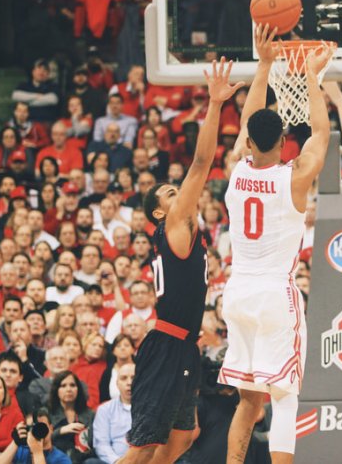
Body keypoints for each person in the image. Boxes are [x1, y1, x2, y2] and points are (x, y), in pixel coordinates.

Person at [118, 56, 244, 464]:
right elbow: (201, 164)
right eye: (171, 194)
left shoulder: (189, 232)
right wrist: (215, 104)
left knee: (185, 435)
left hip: (184, 345)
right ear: (159, 213)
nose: (181, 195)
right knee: (143, 447)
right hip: (166, 345)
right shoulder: (172, 228)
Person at [219, 25, 332, 464]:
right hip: (273, 295)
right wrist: (309, 78)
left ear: (247, 140)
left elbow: (250, 118)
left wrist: (264, 64)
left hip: (237, 291)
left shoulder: (235, 170)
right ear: (284, 142)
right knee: (284, 398)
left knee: (249, 401)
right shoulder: (295, 176)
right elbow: (320, 136)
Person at [0, 407, 71, 464]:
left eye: (41, 426)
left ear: (51, 428)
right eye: (32, 427)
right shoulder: (21, 450)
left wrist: (37, 452)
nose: (37, 430)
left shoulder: (61, 459)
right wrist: (15, 442)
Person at [91, 364, 134, 464]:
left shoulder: (152, 408)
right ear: (117, 383)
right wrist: (117, 462)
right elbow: (101, 444)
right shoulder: (104, 409)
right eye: (124, 378)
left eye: (134, 377)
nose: (129, 383)